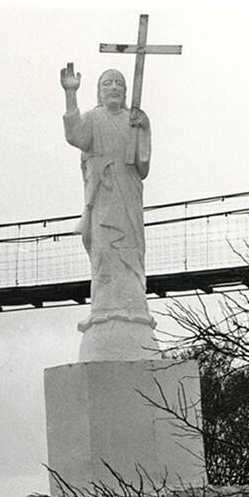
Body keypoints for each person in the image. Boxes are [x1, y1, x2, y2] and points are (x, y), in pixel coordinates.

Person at [61, 63, 156, 360]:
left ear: (126, 92)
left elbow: (142, 167)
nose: (113, 87)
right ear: (99, 92)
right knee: (103, 253)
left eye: (119, 83)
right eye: (107, 83)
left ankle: (134, 312)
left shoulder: (134, 120)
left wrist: (144, 129)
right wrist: (70, 94)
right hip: (102, 199)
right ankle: (103, 312)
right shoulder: (93, 118)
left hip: (128, 195)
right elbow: (75, 135)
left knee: (130, 253)